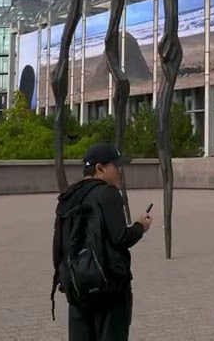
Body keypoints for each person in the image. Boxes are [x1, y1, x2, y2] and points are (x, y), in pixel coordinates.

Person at [54, 142, 153, 340]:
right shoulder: (108, 194)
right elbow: (120, 238)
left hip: (77, 284)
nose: (119, 171)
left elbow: (59, 243)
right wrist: (140, 226)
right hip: (108, 285)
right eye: (116, 166)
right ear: (100, 168)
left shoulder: (70, 196)